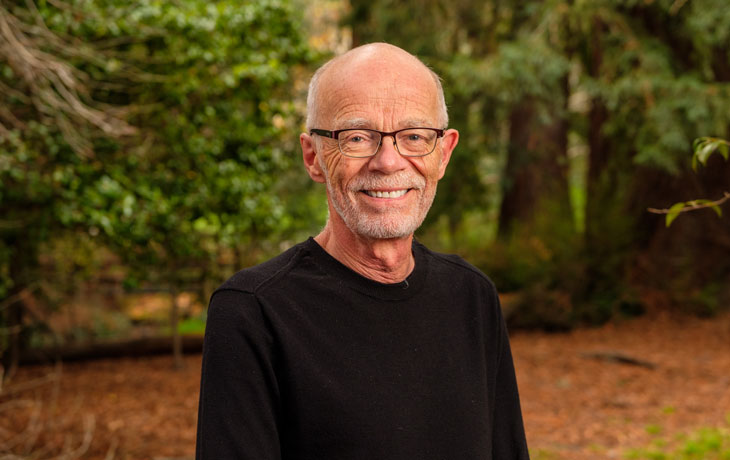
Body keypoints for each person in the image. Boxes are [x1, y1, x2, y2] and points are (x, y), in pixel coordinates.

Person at [195, 42, 530, 460]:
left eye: (414, 136)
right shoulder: (252, 311)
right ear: (313, 156)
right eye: (357, 137)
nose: (388, 162)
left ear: (443, 154)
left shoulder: (473, 296)